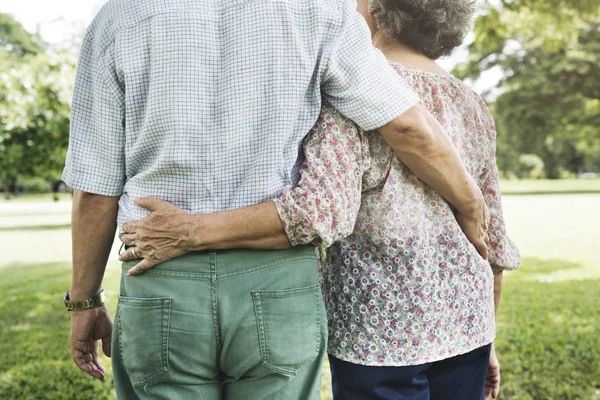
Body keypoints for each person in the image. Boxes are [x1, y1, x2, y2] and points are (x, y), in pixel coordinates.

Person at [64, 0, 491, 398]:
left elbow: (95, 188)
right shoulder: (319, 11)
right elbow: (409, 128)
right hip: (277, 286)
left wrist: (84, 299)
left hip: (160, 279)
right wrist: (471, 203)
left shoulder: (118, 18)